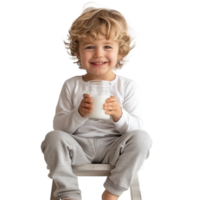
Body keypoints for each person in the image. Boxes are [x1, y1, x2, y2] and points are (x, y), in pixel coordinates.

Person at [39, 1, 155, 200]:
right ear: (77, 51)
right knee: (51, 138)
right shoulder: (70, 84)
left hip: (115, 149)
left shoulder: (129, 85)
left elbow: (138, 127)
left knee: (144, 138)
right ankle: (69, 193)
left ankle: (112, 192)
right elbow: (58, 127)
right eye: (90, 46)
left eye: (107, 46)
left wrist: (120, 115)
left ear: (120, 51)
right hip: (78, 147)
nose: (99, 54)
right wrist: (78, 114)